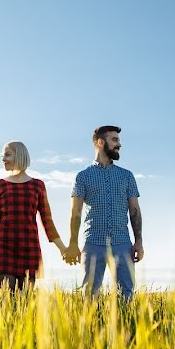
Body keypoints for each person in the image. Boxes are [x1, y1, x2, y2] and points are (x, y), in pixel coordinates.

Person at [63, 125, 144, 299]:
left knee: (126, 296)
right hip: (93, 243)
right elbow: (75, 212)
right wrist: (72, 243)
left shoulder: (127, 176)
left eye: (118, 140)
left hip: (122, 243)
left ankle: (124, 326)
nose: (119, 144)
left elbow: (135, 210)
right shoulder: (82, 176)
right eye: (114, 140)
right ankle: (90, 327)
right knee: (89, 296)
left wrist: (139, 241)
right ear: (100, 142)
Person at [0, 141, 67, 291]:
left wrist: (62, 248)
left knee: (25, 304)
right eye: (3, 155)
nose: (3, 159)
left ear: (20, 156)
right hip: (3, 248)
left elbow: (47, 220)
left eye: (8, 154)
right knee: (6, 302)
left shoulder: (38, 186)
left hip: (29, 247)